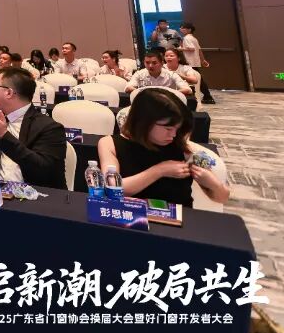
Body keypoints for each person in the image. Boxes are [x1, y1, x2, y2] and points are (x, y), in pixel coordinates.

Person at [97, 88, 228, 207]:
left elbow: (222, 198)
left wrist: (214, 185)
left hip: (178, 221)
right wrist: (160, 170)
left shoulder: (184, 149)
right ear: (143, 122)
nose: (174, 134)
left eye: (177, 128)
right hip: (130, 217)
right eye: (168, 128)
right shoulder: (110, 144)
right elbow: (112, 187)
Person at [0, 67, 67, 189]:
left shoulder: (50, 128)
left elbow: (44, 172)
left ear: (9, 93)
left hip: (34, 197)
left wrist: (3, 135)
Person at [126, 50, 192, 110]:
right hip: (146, 106)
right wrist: (143, 93)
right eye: (147, 63)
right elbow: (128, 88)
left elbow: (188, 90)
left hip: (168, 106)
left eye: (154, 63)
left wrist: (167, 94)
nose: (150, 66)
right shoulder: (139, 74)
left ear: (162, 63)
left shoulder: (171, 74)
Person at [180, 22, 215, 104]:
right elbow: (199, 50)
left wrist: (180, 49)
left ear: (189, 29)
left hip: (190, 62)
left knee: (197, 80)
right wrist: (203, 60)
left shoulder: (187, 38)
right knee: (198, 79)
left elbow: (191, 48)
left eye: (183, 28)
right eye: (181, 28)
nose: (181, 29)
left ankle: (207, 96)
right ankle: (206, 96)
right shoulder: (193, 38)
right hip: (195, 62)